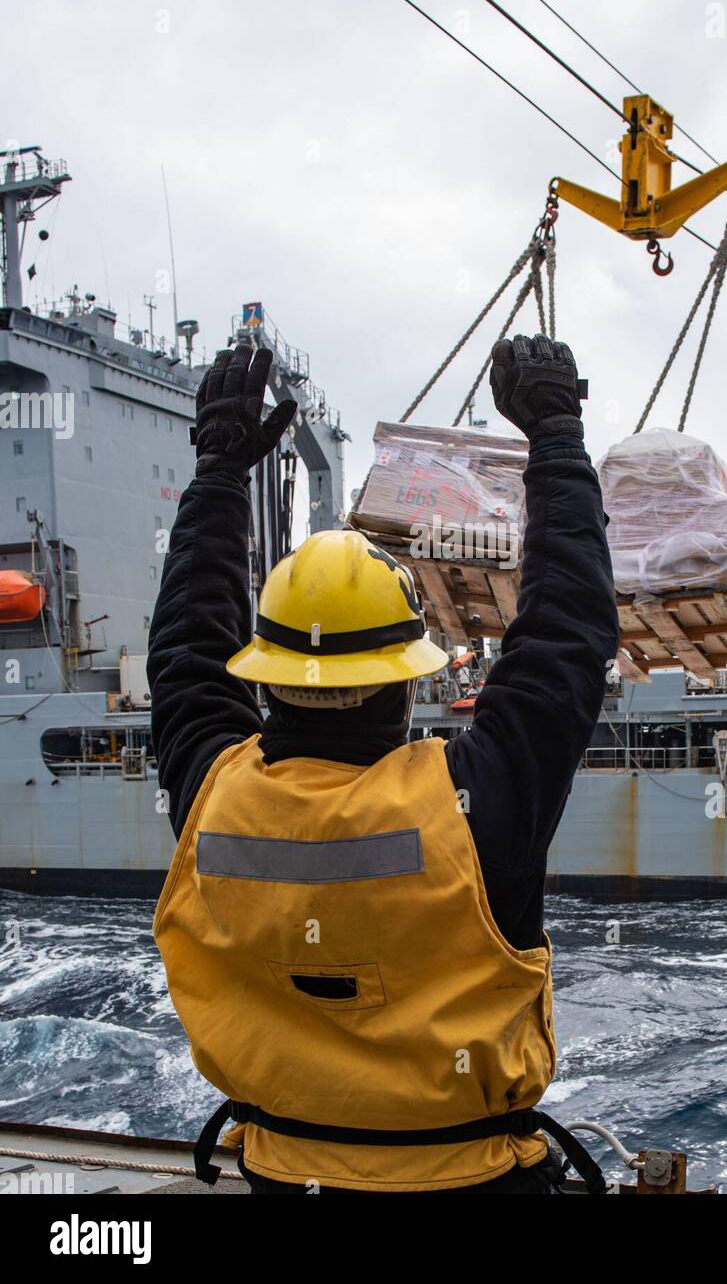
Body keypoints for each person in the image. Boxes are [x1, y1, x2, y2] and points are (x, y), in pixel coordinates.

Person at [149, 334, 618, 1195]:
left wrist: (217, 472)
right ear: (405, 686)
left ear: (267, 677)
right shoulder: (474, 802)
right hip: (474, 1183)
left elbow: (183, 647)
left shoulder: (213, 792)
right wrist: (553, 437)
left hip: (281, 1175)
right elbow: (567, 634)